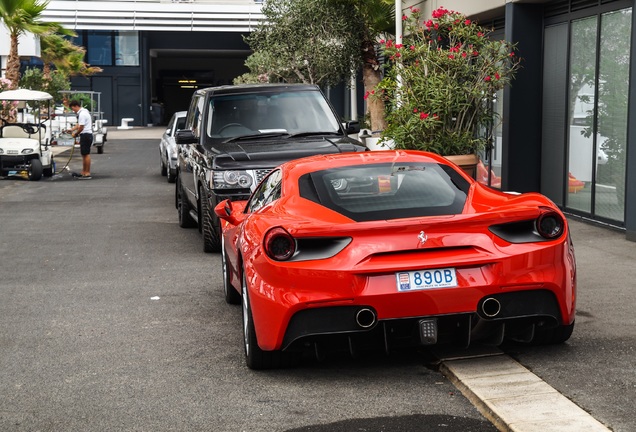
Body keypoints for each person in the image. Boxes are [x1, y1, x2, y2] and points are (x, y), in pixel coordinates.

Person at [68, 100, 93, 179]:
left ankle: (87, 173)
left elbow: (81, 127)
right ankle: (84, 172)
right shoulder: (84, 113)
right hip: (87, 135)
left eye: (73, 108)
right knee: (84, 154)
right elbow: (79, 124)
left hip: (85, 135)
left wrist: (75, 134)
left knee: (86, 154)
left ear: (76, 106)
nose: (73, 110)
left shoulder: (82, 114)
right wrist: (72, 129)